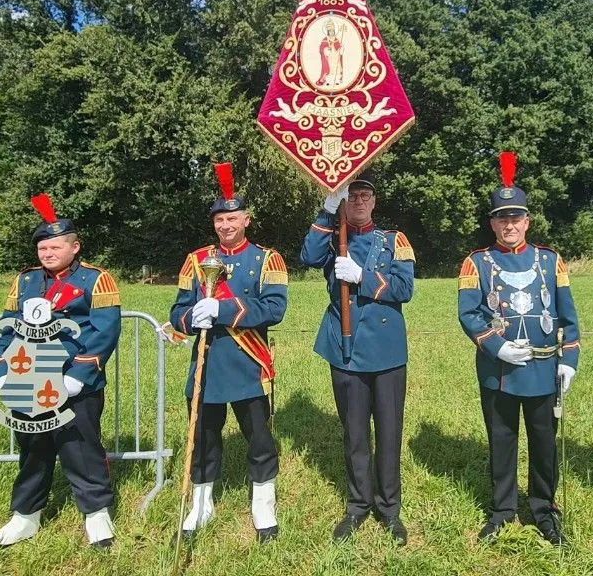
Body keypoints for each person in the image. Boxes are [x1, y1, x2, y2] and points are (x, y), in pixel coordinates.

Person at [0, 194, 121, 552]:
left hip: (74, 383)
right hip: (28, 381)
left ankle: (96, 513)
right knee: (33, 448)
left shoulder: (96, 280)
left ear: (75, 246)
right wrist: (2, 373)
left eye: (55, 246)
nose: (47, 253)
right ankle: (25, 516)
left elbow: (104, 332)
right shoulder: (24, 282)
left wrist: (78, 377)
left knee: (80, 448)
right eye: (42, 247)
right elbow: (4, 328)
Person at [457, 152, 581, 545]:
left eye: (516, 218)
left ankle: (544, 510)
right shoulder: (476, 262)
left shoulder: (550, 260)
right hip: (500, 371)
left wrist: (570, 360)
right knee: (502, 439)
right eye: (501, 218)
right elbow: (469, 314)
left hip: (545, 369)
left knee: (544, 442)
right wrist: (497, 347)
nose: (509, 225)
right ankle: (502, 509)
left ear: (527, 221)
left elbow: (568, 316)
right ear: (492, 222)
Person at [167, 162, 287, 543]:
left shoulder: (267, 258)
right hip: (207, 363)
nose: (225, 225)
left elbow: (274, 309)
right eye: (219, 219)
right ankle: (202, 503)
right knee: (203, 437)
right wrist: (191, 317)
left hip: (249, 364)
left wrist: (224, 310)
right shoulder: (196, 259)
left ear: (246, 219)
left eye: (232, 218)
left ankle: (262, 501)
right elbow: (178, 310)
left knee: (259, 438)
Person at [301, 175, 415, 546]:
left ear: (374, 202)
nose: (360, 201)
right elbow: (307, 257)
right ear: (345, 203)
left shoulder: (395, 241)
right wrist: (328, 207)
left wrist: (363, 276)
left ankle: (389, 507)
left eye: (365, 195)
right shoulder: (334, 240)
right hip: (346, 349)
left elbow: (404, 289)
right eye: (352, 197)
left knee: (388, 432)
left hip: (385, 351)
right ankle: (357, 504)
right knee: (354, 433)